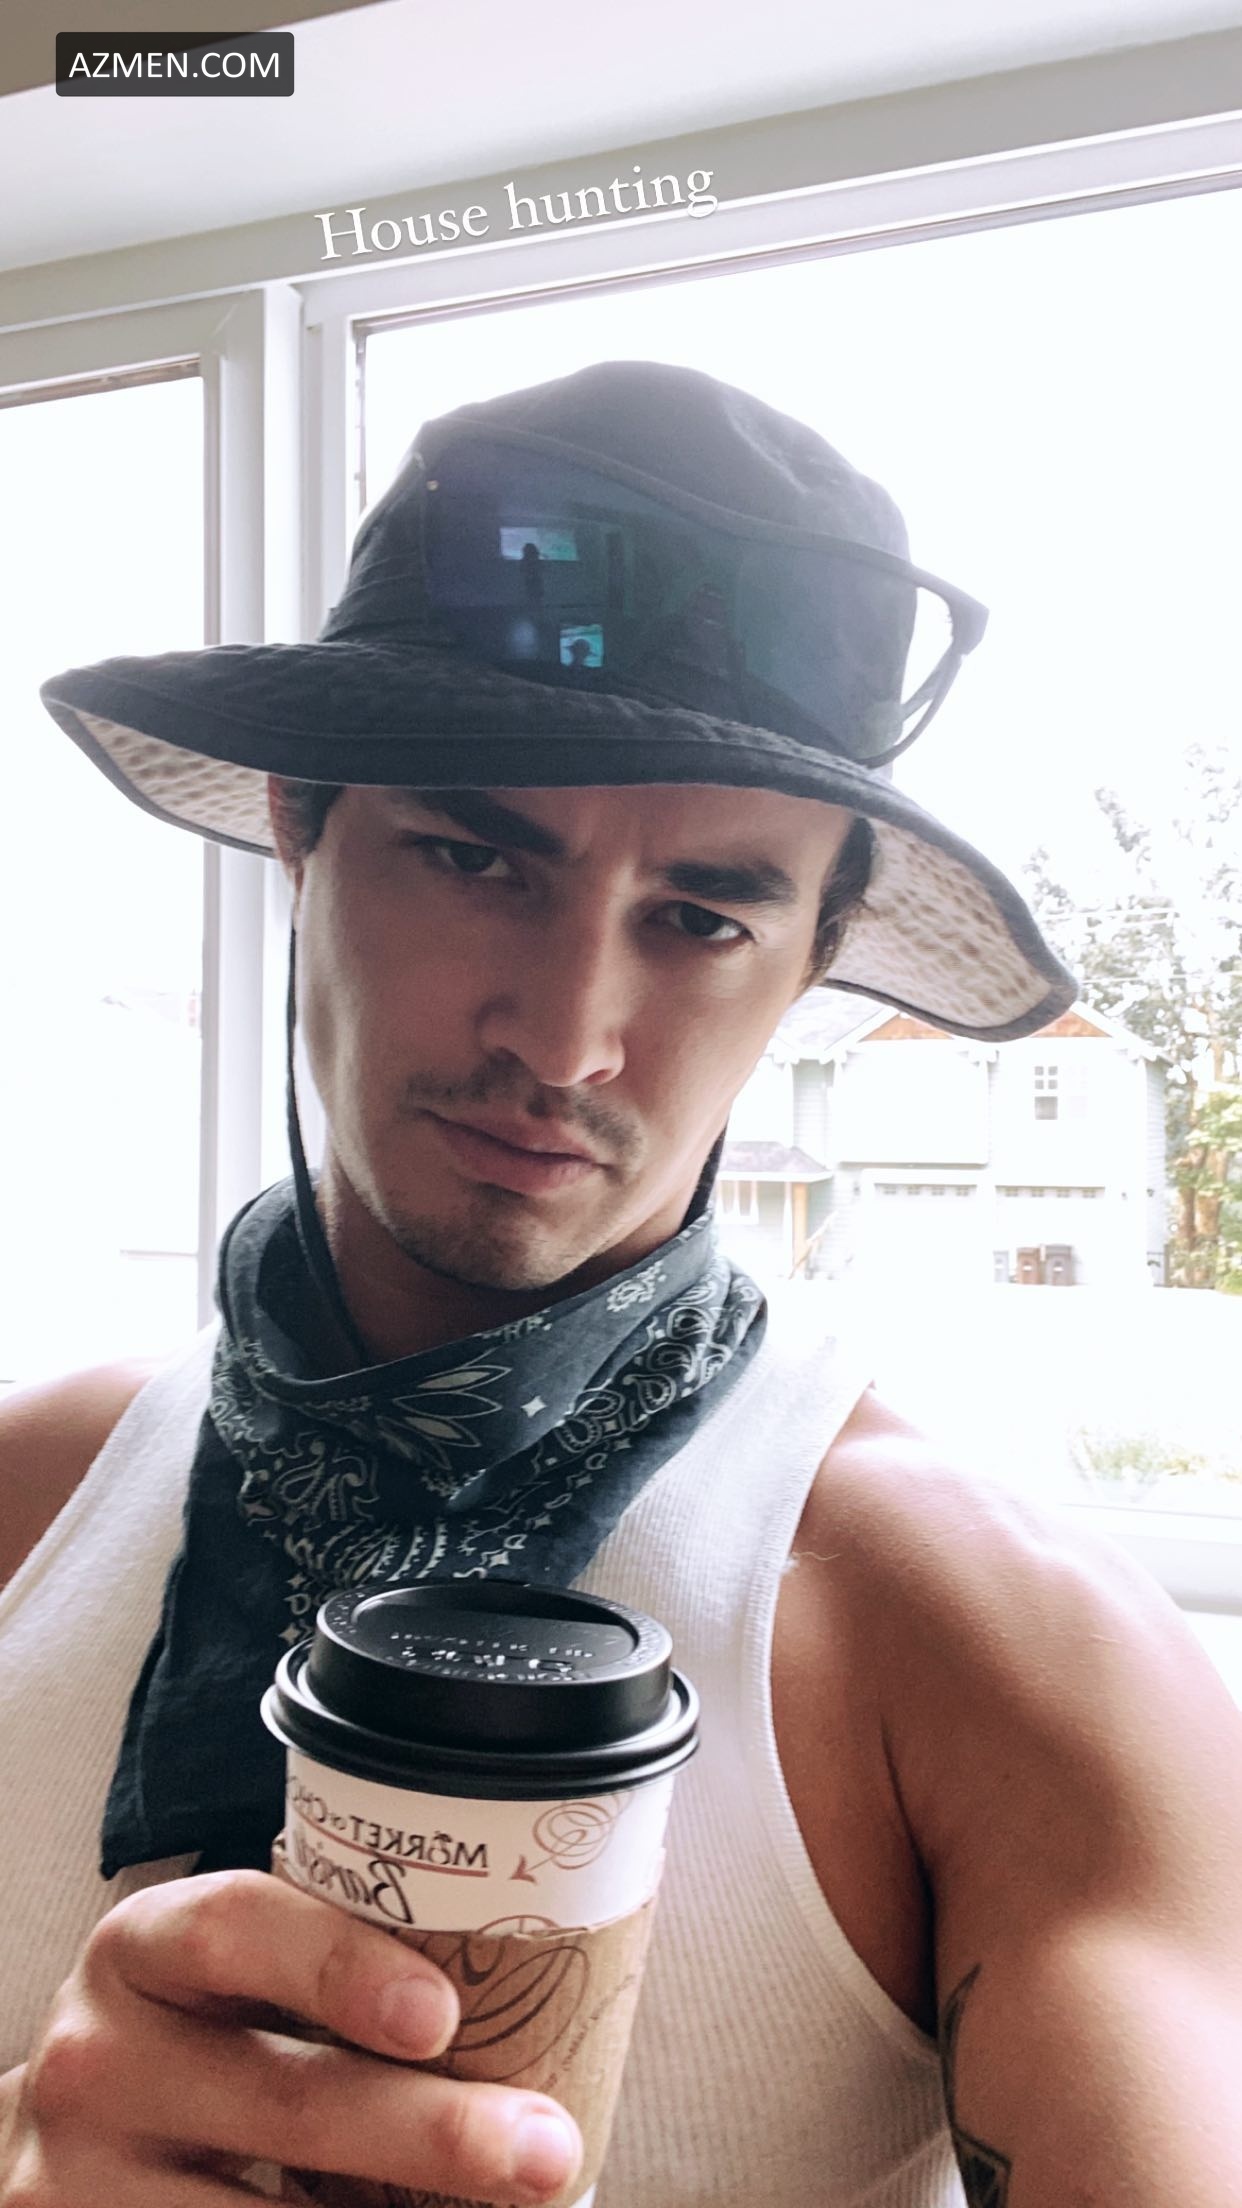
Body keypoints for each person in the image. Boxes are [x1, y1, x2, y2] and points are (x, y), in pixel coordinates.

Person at [2, 360, 1240, 2208]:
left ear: (816, 958)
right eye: (473, 855)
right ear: (297, 823)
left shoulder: (994, 1652)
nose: (568, 1037)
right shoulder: (24, 1497)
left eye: (702, 916)